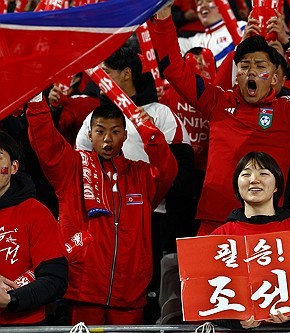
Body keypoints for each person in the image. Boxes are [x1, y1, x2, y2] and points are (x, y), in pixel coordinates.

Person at [154, 1, 290, 235]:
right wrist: (164, 18)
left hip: (267, 227)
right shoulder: (217, 101)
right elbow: (172, 68)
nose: (251, 72)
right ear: (236, 74)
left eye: (260, 66)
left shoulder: (289, 111)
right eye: (245, 65)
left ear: (275, 78)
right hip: (216, 223)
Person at [26, 95, 178, 325]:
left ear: (126, 135)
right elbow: (47, 142)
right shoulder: (73, 167)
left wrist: (150, 132)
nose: (108, 139)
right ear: (89, 135)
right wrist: (37, 102)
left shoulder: (142, 175)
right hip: (84, 289)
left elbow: (167, 168)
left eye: (116, 132)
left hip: (130, 291)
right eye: (100, 131)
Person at [211, 151, 290, 329]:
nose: (254, 180)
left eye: (263, 173)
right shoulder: (218, 238)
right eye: (246, 174)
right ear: (237, 185)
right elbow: (206, 298)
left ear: (277, 185)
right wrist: (235, 322)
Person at [0, 131, 68, 325]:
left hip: (22, 325)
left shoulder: (35, 213)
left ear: (13, 167)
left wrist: (11, 300)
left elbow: (55, 280)